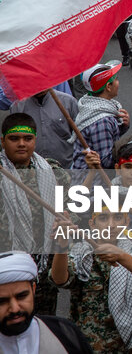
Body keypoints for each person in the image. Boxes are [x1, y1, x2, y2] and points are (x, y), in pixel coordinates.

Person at [50, 199, 132, 352]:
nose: (111, 225)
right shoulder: (81, 252)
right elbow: (60, 279)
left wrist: (122, 257)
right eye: (103, 218)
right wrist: (61, 245)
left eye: (117, 217)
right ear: (92, 224)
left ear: (126, 222)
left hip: (127, 346)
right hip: (89, 344)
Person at [0, 115, 66, 315]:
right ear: (2, 141)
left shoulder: (51, 170)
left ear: (35, 140)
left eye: (27, 139)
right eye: (14, 138)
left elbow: (70, 203)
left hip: (43, 267)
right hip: (6, 266)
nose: (21, 144)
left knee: (45, 325)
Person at [0, 252, 92, 353]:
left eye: (22, 297)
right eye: (2, 301)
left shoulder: (65, 333)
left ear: (33, 290)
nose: (15, 309)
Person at [72, 63, 129, 170]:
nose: (118, 82)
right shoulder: (102, 121)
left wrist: (123, 126)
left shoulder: (89, 105)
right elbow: (106, 161)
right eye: (116, 79)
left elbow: (105, 139)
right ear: (108, 87)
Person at [9, 88, 78, 169]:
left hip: (66, 166)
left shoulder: (68, 102)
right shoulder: (17, 107)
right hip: (32, 169)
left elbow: (79, 135)